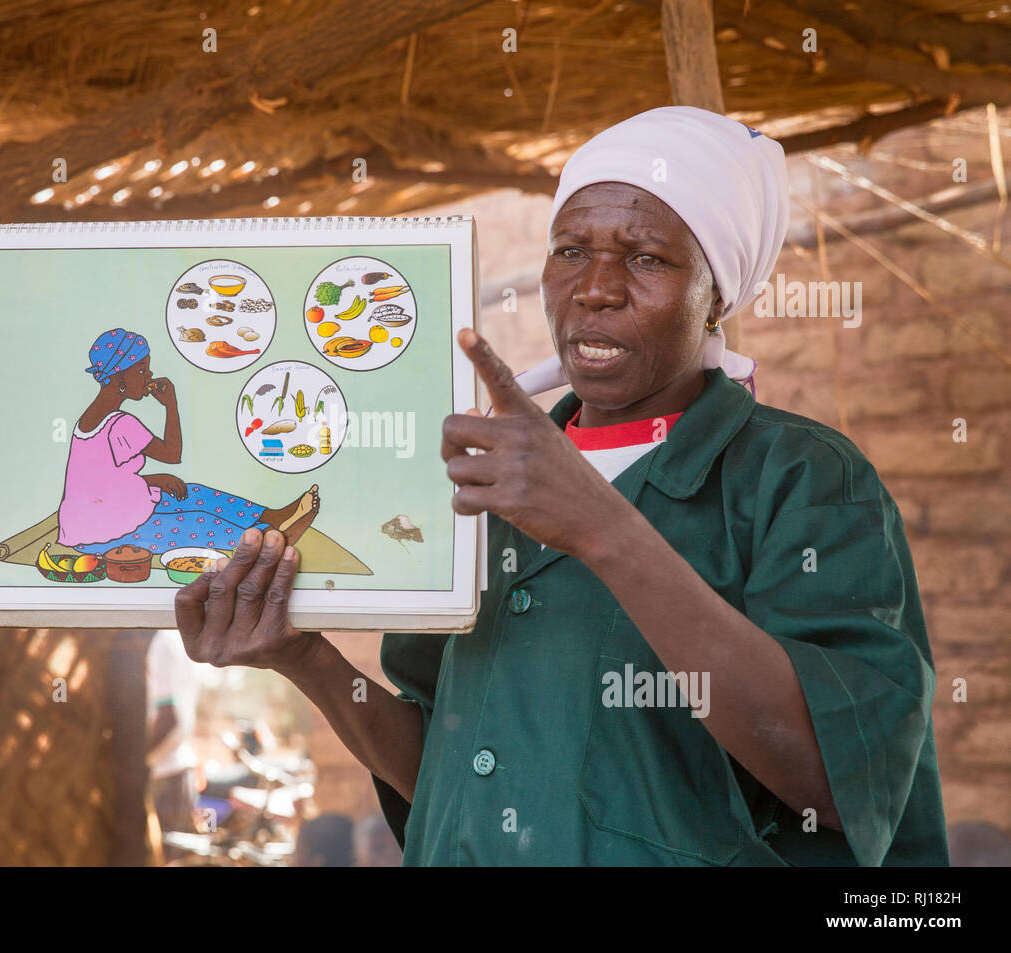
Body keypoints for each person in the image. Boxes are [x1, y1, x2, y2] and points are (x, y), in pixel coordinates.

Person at [172, 107, 949, 866]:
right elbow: (448, 776)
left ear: (717, 297)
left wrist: (603, 530)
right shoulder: (485, 478)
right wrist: (304, 658)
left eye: (646, 258)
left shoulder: (801, 479)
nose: (596, 288)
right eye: (570, 250)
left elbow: (833, 773)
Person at [57, 328, 319, 555]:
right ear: (118, 378)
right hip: (104, 535)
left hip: (90, 522)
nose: (148, 376)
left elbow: (99, 482)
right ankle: (270, 537)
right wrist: (170, 405)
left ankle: (273, 516)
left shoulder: (89, 420)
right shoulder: (120, 423)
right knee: (196, 522)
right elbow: (172, 454)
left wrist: (154, 479)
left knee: (191, 492)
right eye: (140, 370)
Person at [145, 629, 201, 854]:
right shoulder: (180, 640)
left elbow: (168, 716)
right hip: (175, 771)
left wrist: (138, 760)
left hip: (164, 774)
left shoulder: (160, 644)